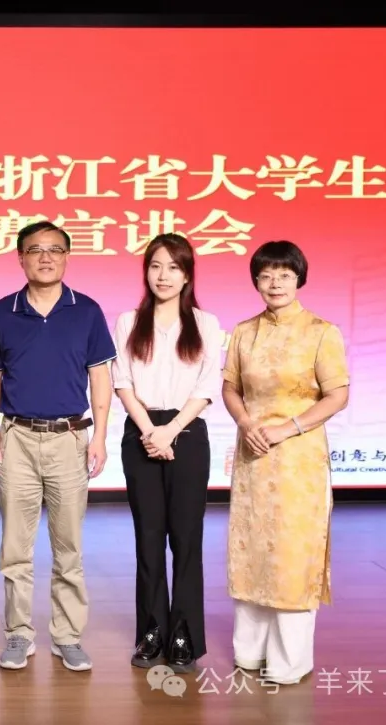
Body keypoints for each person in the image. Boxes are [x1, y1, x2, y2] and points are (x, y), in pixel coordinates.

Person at [222, 240, 350, 686]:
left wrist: (287, 428)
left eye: (284, 275)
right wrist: (245, 423)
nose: (274, 283)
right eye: (266, 275)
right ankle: (249, 651)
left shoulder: (322, 332)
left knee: (293, 553)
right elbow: (231, 387)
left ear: (299, 279)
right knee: (252, 550)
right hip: (253, 457)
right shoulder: (244, 331)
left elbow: (338, 395)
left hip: (299, 460)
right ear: (256, 281)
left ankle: (289, 661)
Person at [0, 221, 114, 673]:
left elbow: (100, 376)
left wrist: (100, 436)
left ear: (67, 257)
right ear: (20, 257)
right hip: (17, 437)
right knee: (15, 547)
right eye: (35, 250)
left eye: (55, 250)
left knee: (69, 548)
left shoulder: (87, 311)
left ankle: (67, 636)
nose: (45, 258)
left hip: (69, 438)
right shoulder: (2, 312)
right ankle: (19, 633)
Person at [110, 233, 222, 674]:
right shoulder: (128, 322)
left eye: (174, 267)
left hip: (187, 434)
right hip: (141, 434)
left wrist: (171, 431)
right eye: (156, 266)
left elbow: (208, 385)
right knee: (149, 538)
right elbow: (122, 383)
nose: (164, 276)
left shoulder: (205, 323)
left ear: (187, 275)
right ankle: (152, 631)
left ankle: (184, 634)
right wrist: (150, 432)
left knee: (187, 539)